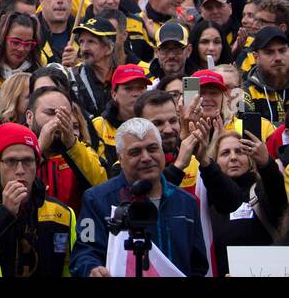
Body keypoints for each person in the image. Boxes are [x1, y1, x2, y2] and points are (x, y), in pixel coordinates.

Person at [71, 118, 209, 277]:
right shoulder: (96, 200)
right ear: (120, 159)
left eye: (152, 148)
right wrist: (92, 269)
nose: (146, 157)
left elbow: (198, 265)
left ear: (162, 152)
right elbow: (84, 252)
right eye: (135, 152)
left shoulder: (187, 202)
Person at [0, 122, 76, 277]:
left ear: (37, 164)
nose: (20, 170)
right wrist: (5, 213)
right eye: (11, 162)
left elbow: (69, 270)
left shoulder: (62, 213)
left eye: (27, 161)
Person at [199, 127, 287, 277]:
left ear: (249, 158)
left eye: (239, 152)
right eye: (225, 153)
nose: (233, 157)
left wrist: (266, 163)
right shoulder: (206, 200)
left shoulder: (262, 190)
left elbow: (277, 194)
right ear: (215, 161)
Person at [26, 85, 106, 211]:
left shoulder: (84, 151)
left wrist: (71, 144)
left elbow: (102, 188)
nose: (58, 120)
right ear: (30, 117)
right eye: (50, 113)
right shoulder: (15, 149)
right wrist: (39, 149)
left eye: (64, 114)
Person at [90, 64, 150, 171]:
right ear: (114, 94)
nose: (136, 94)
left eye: (141, 88)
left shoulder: (154, 124)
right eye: (128, 88)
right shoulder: (98, 126)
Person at [68, 17, 121, 117]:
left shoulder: (125, 78)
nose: (84, 48)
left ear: (109, 48)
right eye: (81, 42)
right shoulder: (72, 78)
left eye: (91, 42)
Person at [244, 26, 289, 124]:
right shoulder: (245, 92)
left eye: (282, 50)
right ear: (256, 57)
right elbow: (250, 131)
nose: (278, 58)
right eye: (269, 52)